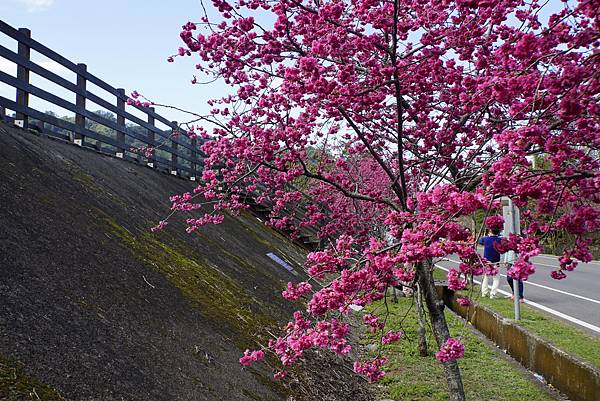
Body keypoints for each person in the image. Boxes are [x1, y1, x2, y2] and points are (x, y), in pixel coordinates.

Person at [479, 229, 502, 298]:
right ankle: (493, 294)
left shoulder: (485, 239)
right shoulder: (499, 240)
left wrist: (486, 235)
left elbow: (480, 241)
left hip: (486, 261)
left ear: (490, 232)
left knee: (486, 277)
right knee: (496, 278)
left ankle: (484, 292)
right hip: (496, 261)